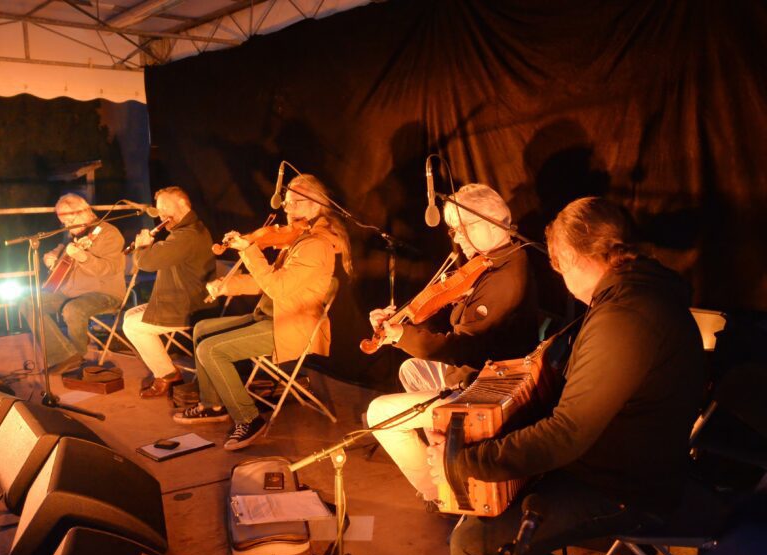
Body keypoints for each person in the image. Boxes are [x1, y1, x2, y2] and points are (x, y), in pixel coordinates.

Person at [423, 197, 705, 555]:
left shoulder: (624, 316)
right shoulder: (636, 291)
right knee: (477, 521)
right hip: (612, 464)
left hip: (625, 487)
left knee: (472, 546)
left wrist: (464, 462)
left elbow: (567, 433)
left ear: (573, 256)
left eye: (558, 265)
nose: (560, 276)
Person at [365, 183, 539, 500]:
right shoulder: (495, 261)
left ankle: (441, 492)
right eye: (453, 231)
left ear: (490, 223)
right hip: (476, 369)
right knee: (411, 370)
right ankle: (447, 451)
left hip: (484, 385)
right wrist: (402, 322)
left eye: (461, 229)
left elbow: (461, 348)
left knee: (379, 414)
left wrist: (402, 334)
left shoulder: (504, 278)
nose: (457, 239)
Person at [173, 174, 353, 451]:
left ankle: (249, 419)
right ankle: (213, 404)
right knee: (202, 329)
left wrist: (250, 251)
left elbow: (277, 287)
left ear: (317, 206)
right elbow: (268, 280)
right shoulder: (300, 238)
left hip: (290, 324)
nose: (288, 209)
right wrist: (227, 286)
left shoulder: (315, 245)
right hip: (271, 314)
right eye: (287, 203)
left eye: (296, 203)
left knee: (211, 350)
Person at [122, 186, 216, 397]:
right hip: (183, 301)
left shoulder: (187, 235)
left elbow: (147, 262)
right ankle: (167, 372)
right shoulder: (188, 230)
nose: (162, 214)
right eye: (159, 210)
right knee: (130, 315)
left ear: (183, 204)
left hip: (190, 307)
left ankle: (167, 375)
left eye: (165, 208)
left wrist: (142, 246)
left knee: (132, 325)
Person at [21, 194, 125, 374]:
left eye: (70, 220)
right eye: (64, 223)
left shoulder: (109, 233)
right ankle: (64, 355)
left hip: (104, 293)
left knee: (73, 309)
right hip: (70, 291)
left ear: (85, 211)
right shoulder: (71, 235)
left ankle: (78, 356)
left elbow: (110, 268)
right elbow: (59, 253)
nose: (68, 226)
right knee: (29, 301)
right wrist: (50, 258)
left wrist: (83, 257)